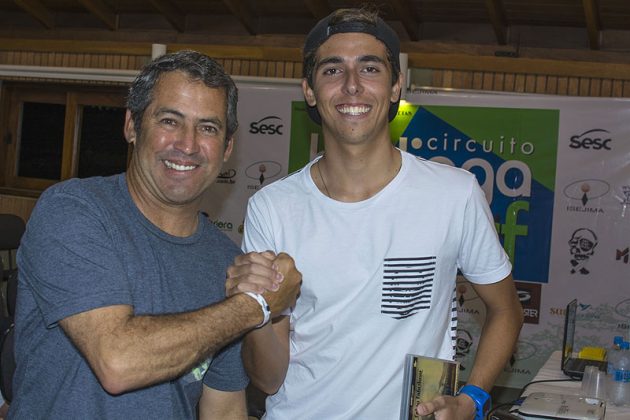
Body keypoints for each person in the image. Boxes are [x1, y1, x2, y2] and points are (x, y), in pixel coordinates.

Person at [229, 6, 524, 420]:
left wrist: (472, 399)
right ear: (310, 91)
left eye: (369, 68)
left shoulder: (454, 194)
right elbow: (269, 379)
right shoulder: (273, 206)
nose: (352, 86)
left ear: (395, 86)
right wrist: (258, 306)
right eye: (332, 70)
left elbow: (507, 309)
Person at [8, 50, 301, 419]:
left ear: (227, 148)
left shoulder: (227, 264)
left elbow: (223, 408)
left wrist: (253, 306)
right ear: (132, 125)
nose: (188, 144)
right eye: (170, 120)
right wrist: (256, 306)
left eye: (208, 128)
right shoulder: (72, 211)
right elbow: (117, 361)